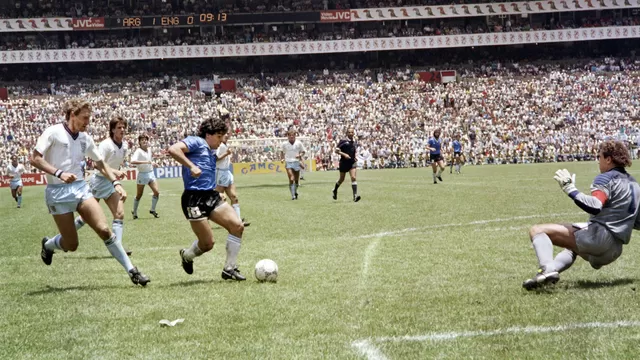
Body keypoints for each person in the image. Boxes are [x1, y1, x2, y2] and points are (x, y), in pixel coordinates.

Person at [33, 98, 149, 286]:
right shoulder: (53, 132)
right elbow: (35, 158)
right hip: (57, 192)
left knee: (104, 229)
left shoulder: (85, 139)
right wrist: (59, 173)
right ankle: (48, 245)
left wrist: (116, 182)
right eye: (85, 118)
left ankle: (132, 271)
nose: (88, 122)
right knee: (72, 245)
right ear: (73, 115)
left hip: (80, 188)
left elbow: (100, 162)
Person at [522, 140, 640, 290]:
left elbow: (595, 206)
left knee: (537, 230)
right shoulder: (634, 184)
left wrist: (570, 189)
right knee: (572, 247)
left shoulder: (605, 178)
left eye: (600, 157)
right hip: (615, 250)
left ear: (608, 159)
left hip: (599, 239)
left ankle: (547, 269)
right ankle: (548, 274)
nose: (598, 162)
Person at [168, 118, 246, 280]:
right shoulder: (196, 141)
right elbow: (173, 149)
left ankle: (229, 268)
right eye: (219, 136)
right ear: (208, 134)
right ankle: (187, 256)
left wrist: (217, 190)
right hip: (193, 199)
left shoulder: (211, 151)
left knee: (237, 226)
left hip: (211, 195)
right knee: (207, 244)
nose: (221, 140)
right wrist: (191, 166)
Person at [47, 116, 133, 256]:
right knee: (86, 218)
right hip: (98, 181)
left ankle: (118, 247)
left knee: (119, 213)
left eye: (124, 127)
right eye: (119, 127)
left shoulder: (125, 146)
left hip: (110, 182)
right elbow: (96, 164)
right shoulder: (106, 145)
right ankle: (56, 240)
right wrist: (116, 172)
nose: (122, 130)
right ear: (112, 130)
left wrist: (115, 176)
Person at [215, 133, 250, 226]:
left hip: (227, 172)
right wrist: (226, 153)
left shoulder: (225, 145)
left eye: (227, 134)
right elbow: (215, 159)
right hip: (220, 172)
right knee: (220, 199)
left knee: (234, 197)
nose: (226, 136)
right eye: (224, 134)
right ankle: (217, 218)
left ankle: (237, 221)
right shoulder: (220, 146)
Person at [130, 134, 160, 219]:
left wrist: (153, 163)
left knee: (156, 192)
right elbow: (132, 161)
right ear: (139, 142)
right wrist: (146, 162)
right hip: (142, 174)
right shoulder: (138, 151)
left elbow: (149, 160)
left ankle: (152, 210)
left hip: (150, 173)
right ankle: (134, 212)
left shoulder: (149, 150)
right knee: (139, 195)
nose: (144, 141)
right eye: (142, 140)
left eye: (146, 140)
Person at [332, 126, 361, 202]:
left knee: (353, 177)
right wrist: (344, 154)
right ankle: (335, 190)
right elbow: (336, 151)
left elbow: (353, 151)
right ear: (347, 133)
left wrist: (354, 157)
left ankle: (355, 196)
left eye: (352, 132)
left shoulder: (354, 142)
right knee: (341, 179)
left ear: (353, 133)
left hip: (352, 163)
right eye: (349, 132)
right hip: (344, 163)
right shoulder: (343, 141)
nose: (351, 133)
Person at [281, 130, 306, 200]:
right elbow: (282, 152)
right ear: (288, 136)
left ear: (295, 135)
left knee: (296, 181)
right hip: (288, 162)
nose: (291, 136)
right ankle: (293, 195)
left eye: (293, 135)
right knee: (291, 178)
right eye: (290, 135)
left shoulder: (299, 143)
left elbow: (303, 151)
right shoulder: (284, 144)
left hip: (296, 162)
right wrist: (282, 158)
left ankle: (295, 191)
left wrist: (299, 155)